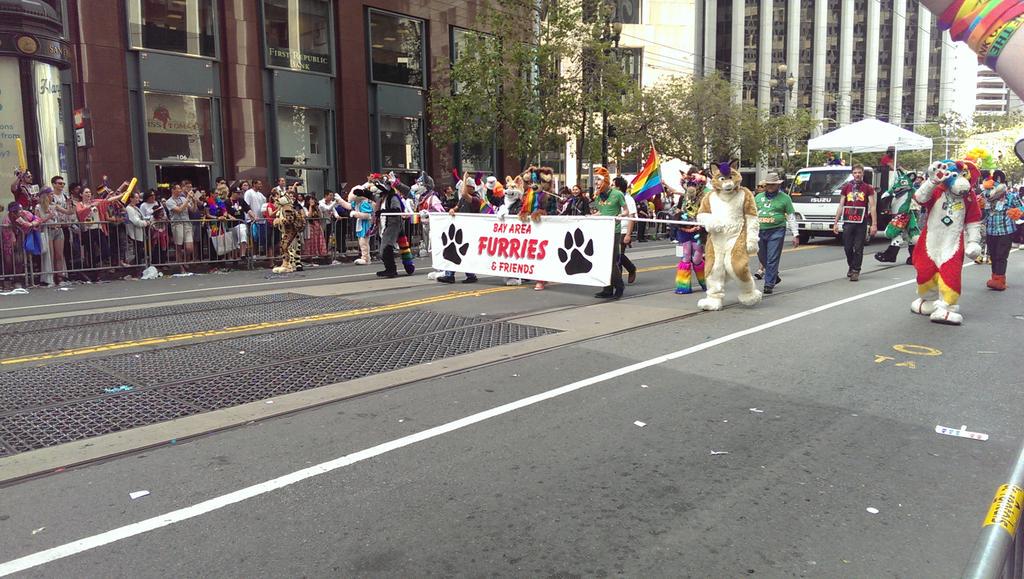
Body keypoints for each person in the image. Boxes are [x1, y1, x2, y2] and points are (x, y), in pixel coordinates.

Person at [755, 172, 799, 295]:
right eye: (768, 184)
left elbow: (791, 217)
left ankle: (769, 284)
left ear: (778, 185)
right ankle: (774, 276)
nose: (770, 186)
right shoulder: (758, 198)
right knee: (762, 256)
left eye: (773, 184)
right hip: (759, 230)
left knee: (772, 257)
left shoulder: (785, 198)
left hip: (776, 230)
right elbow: (751, 214)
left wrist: (795, 234)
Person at [832, 164, 877, 281]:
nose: (857, 175)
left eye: (859, 172)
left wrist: (874, 224)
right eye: (855, 173)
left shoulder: (868, 188)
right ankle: (851, 266)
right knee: (847, 247)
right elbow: (841, 205)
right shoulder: (846, 187)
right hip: (848, 221)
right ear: (852, 174)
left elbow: (872, 206)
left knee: (858, 247)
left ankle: (856, 270)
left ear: (863, 174)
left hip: (861, 222)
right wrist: (835, 222)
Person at [981, 171, 1022, 291]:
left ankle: (999, 280)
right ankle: (995, 278)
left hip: (1006, 231)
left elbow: (1021, 207)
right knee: (993, 256)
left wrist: (1016, 212)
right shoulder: (986, 197)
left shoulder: (1011, 196)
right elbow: (983, 214)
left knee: (1001, 255)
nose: (989, 191)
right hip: (991, 231)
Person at [437, 173, 481, 284]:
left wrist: (465, 178)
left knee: (464, 252)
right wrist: (453, 210)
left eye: (465, 186)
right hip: (460, 229)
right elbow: (457, 206)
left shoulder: (476, 199)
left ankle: (470, 275)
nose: (462, 189)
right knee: (453, 250)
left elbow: (464, 194)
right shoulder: (463, 199)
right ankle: (450, 275)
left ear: (471, 188)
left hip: (470, 229)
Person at [593, 167, 629, 299]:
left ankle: (619, 286)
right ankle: (607, 288)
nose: (596, 183)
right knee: (602, 260)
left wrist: (621, 215)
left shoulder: (617, 194)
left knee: (611, 260)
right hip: (601, 230)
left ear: (606, 181)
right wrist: (591, 216)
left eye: (598, 179)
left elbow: (626, 211)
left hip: (614, 231)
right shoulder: (598, 196)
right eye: (595, 180)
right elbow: (601, 212)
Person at [336, 185, 374, 265]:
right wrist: (340, 200)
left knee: (364, 242)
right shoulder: (357, 202)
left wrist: (356, 214)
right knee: (361, 242)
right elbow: (349, 206)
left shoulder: (364, 203)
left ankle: (366, 258)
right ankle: (365, 257)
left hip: (365, 225)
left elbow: (368, 215)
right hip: (360, 224)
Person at [614, 176, 639, 285]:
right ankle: (630, 268)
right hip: (614, 229)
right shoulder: (613, 198)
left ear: (618, 187)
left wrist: (628, 234)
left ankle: (618, 280)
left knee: (618, 254)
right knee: (615, 254)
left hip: (623, 230)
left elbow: (631, 217)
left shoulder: (628, 199)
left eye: (613, 185)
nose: (611, 187)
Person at [164, 183, 194, 270]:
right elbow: (179, 210)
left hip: (187, 223)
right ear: (173, 190)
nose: (180, 190)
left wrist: (194, 201)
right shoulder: (169, 201)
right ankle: (181, 266)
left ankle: (186, 260)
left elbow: (192, 209)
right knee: (179, 246)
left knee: (189, 247)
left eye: (180, 189)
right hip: (177, 224)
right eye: (178, 189)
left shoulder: (183, 198)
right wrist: (187, 199)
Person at [124, 190, 151, 270]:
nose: (137, 199)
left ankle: (137, 266)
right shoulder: (129, 208)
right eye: (136, 198)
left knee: (140, 250)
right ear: (131, 199)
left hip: (140, 232)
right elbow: (135, 221)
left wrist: (148, 219)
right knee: (138, 251)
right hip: (134, 232)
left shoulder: (135, 208)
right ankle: (136, 268)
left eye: (138, 197)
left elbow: (142, 217)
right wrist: (145, 223)